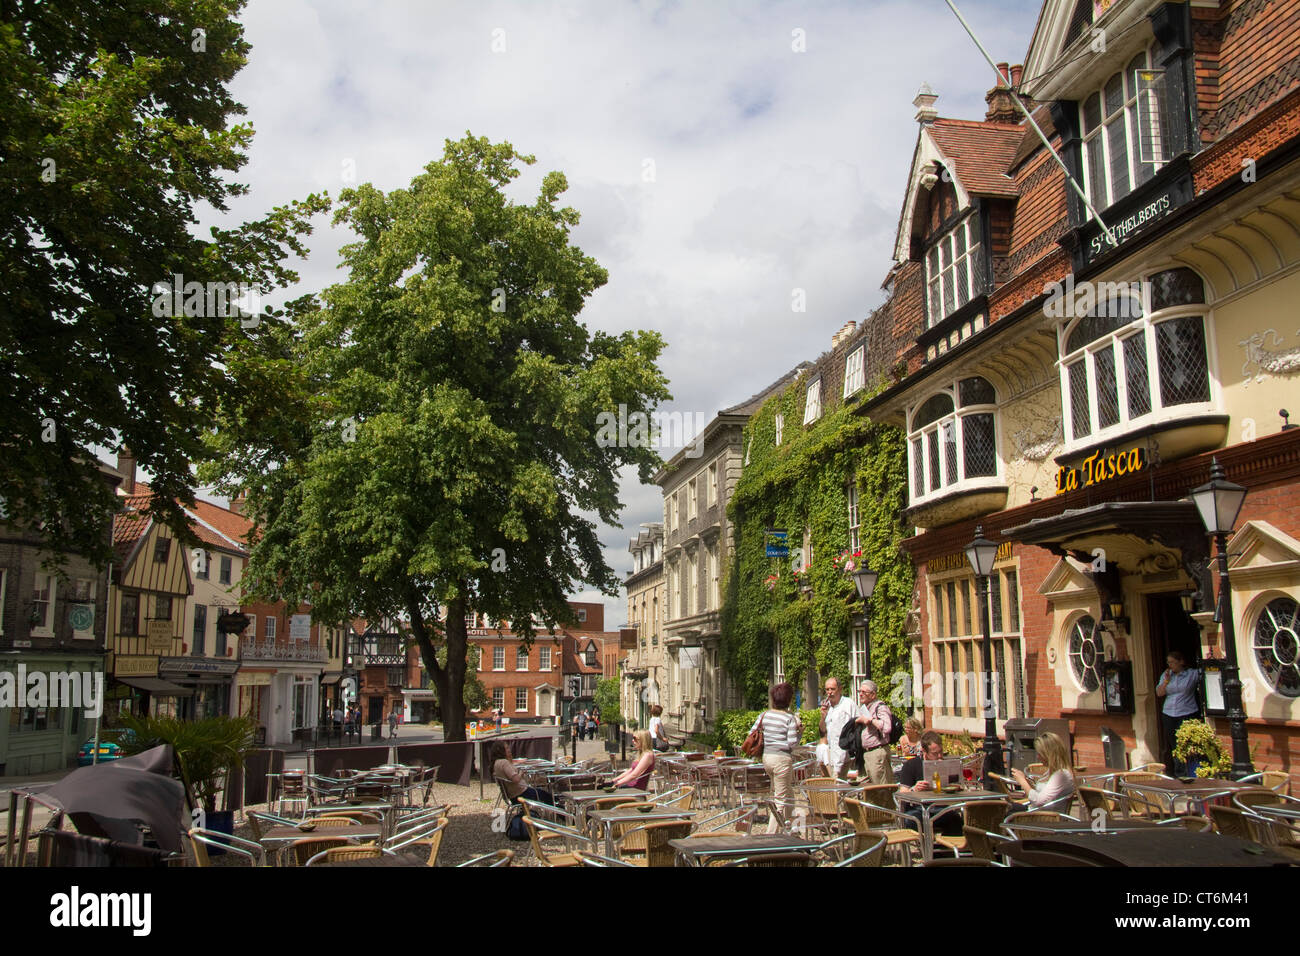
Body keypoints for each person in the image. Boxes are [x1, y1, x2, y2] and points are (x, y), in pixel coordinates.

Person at [750, 682, 803, 833]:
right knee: (780, 800)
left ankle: (792, 826)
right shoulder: (789, 718)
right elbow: (792, 743)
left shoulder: (765, 715)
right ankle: (771, 836)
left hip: (767, 758)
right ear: (789, 700)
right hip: (781, 759)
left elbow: (753, 731)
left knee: (788, 793)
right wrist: (800, 732)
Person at [897, 731, 963, 836]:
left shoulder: (945, 763)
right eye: (935, 754)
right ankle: (926, 851)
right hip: (918, 809)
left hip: (941, 807)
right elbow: (902, 794)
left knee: (956, 819)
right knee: (912, 821)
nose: (940, 756)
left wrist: (955, 786)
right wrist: (914, 789)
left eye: (941, 752)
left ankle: (947, 850)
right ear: (924, 751)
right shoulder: (911, 765)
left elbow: (958, 786)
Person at [1156, 651, 1202, 774]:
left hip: (1186, 711)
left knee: (1186, 744)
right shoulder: (1166, 675)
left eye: (1172, 662)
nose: (1170, 665)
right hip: (1169, 713)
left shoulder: (1191, 674)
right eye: (1168, 662)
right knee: (1174, 745)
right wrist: (1166, 681)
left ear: (1181, 662)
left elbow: (1206, 675)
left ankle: (1192, 772)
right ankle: (1179, 772)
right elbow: (1159, 693)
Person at [1011, 732, 1076, 810]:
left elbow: (1038, 801)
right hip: (1037, 811)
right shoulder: (1053, 771)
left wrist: (1023, 782)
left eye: (1040, 754)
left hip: (1043, 817)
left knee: (1004, 809)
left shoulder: (1061, 775)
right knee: (1006, 806)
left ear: (1049, 754)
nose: (1038, 757)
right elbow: (1044, 794)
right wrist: (1028, 783)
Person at [853, 680, 894, 784]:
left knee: (881, 790)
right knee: (867, 790)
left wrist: (871, 720)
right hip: (865, 754)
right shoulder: (864, 708)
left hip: (877, 753)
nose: (861, 694)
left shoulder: (880, 707)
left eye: (864, 692)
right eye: (859, 692)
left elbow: (887, 727)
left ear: (873, 695)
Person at [816, 677, 857, 778]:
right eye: (827, 689)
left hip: (846, 753)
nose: (830, 692)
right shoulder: (828, 707)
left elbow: (858, 724)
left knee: (838, 783)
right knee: (836, 784)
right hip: (832, 753)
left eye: (832, 689)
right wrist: (823, 717)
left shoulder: (848, 704)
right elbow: (822, 731)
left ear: (840, 689)